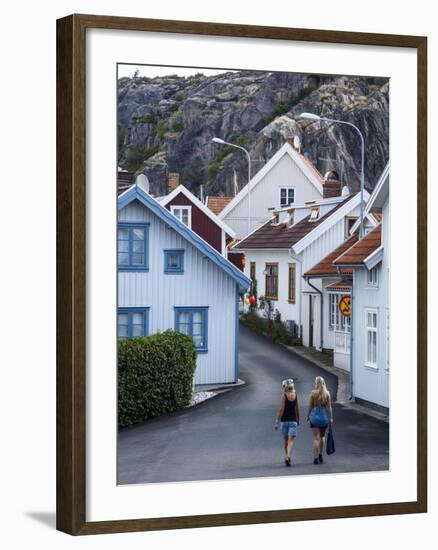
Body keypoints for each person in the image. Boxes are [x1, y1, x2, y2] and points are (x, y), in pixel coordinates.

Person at [306, 376, 333, 464]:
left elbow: (310, 406)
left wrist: (307, 416)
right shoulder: (327, 393)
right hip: (324, 418)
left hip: (314, 418)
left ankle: (315, 458)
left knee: (315, 438)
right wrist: (331, 417)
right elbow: (329, 408)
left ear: (316, 383)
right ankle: (321, 454)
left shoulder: (313, 393)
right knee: (322, 437)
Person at [274, 379, 300, 466]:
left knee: (285, 440)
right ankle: (288, 456)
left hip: (284, 421)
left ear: (285, 387)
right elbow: (297, 408)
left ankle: (287, 456)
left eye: (283, 386)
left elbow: (281, 410)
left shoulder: (284, 396)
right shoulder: (295, 395)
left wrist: (277, 421)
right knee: (291, 441)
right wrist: (298, 419)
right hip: (293, 421)